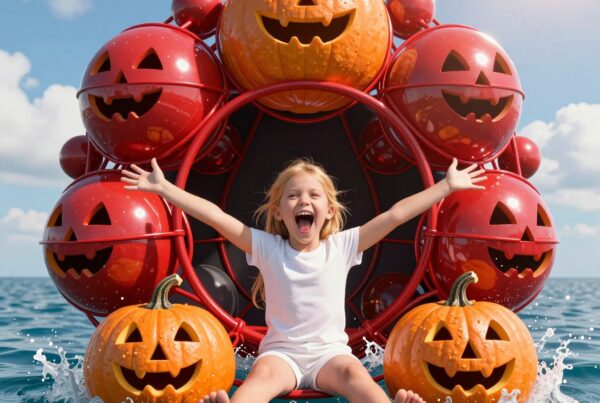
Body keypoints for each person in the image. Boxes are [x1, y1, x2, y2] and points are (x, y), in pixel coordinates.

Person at [121, 157, 486, 403]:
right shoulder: (266, 247)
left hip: (331, 354)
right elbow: (216, 216)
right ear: (280, 212)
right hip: (283, 355)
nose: (303, 201)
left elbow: (395, 214)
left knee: (356, 378)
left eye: (313, 196)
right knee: (260, 380)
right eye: (292, 196)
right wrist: (165, 190)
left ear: (328, 211)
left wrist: (447, 187)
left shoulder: (342, 245)